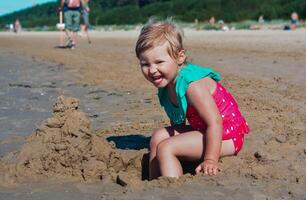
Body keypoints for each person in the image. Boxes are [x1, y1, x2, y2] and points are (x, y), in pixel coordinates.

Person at [135, 20, 250, 180]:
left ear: (180, 57)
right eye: (145, 64)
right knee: (158, 137)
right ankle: (153, 183)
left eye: (159, 62)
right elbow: (178, 122)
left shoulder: (192, 85)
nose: (152, 70)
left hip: (227, 135)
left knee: (166, 147)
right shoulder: (166, 86)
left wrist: (210, 159)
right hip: (203, 129)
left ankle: (172, 189)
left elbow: (215, 122)